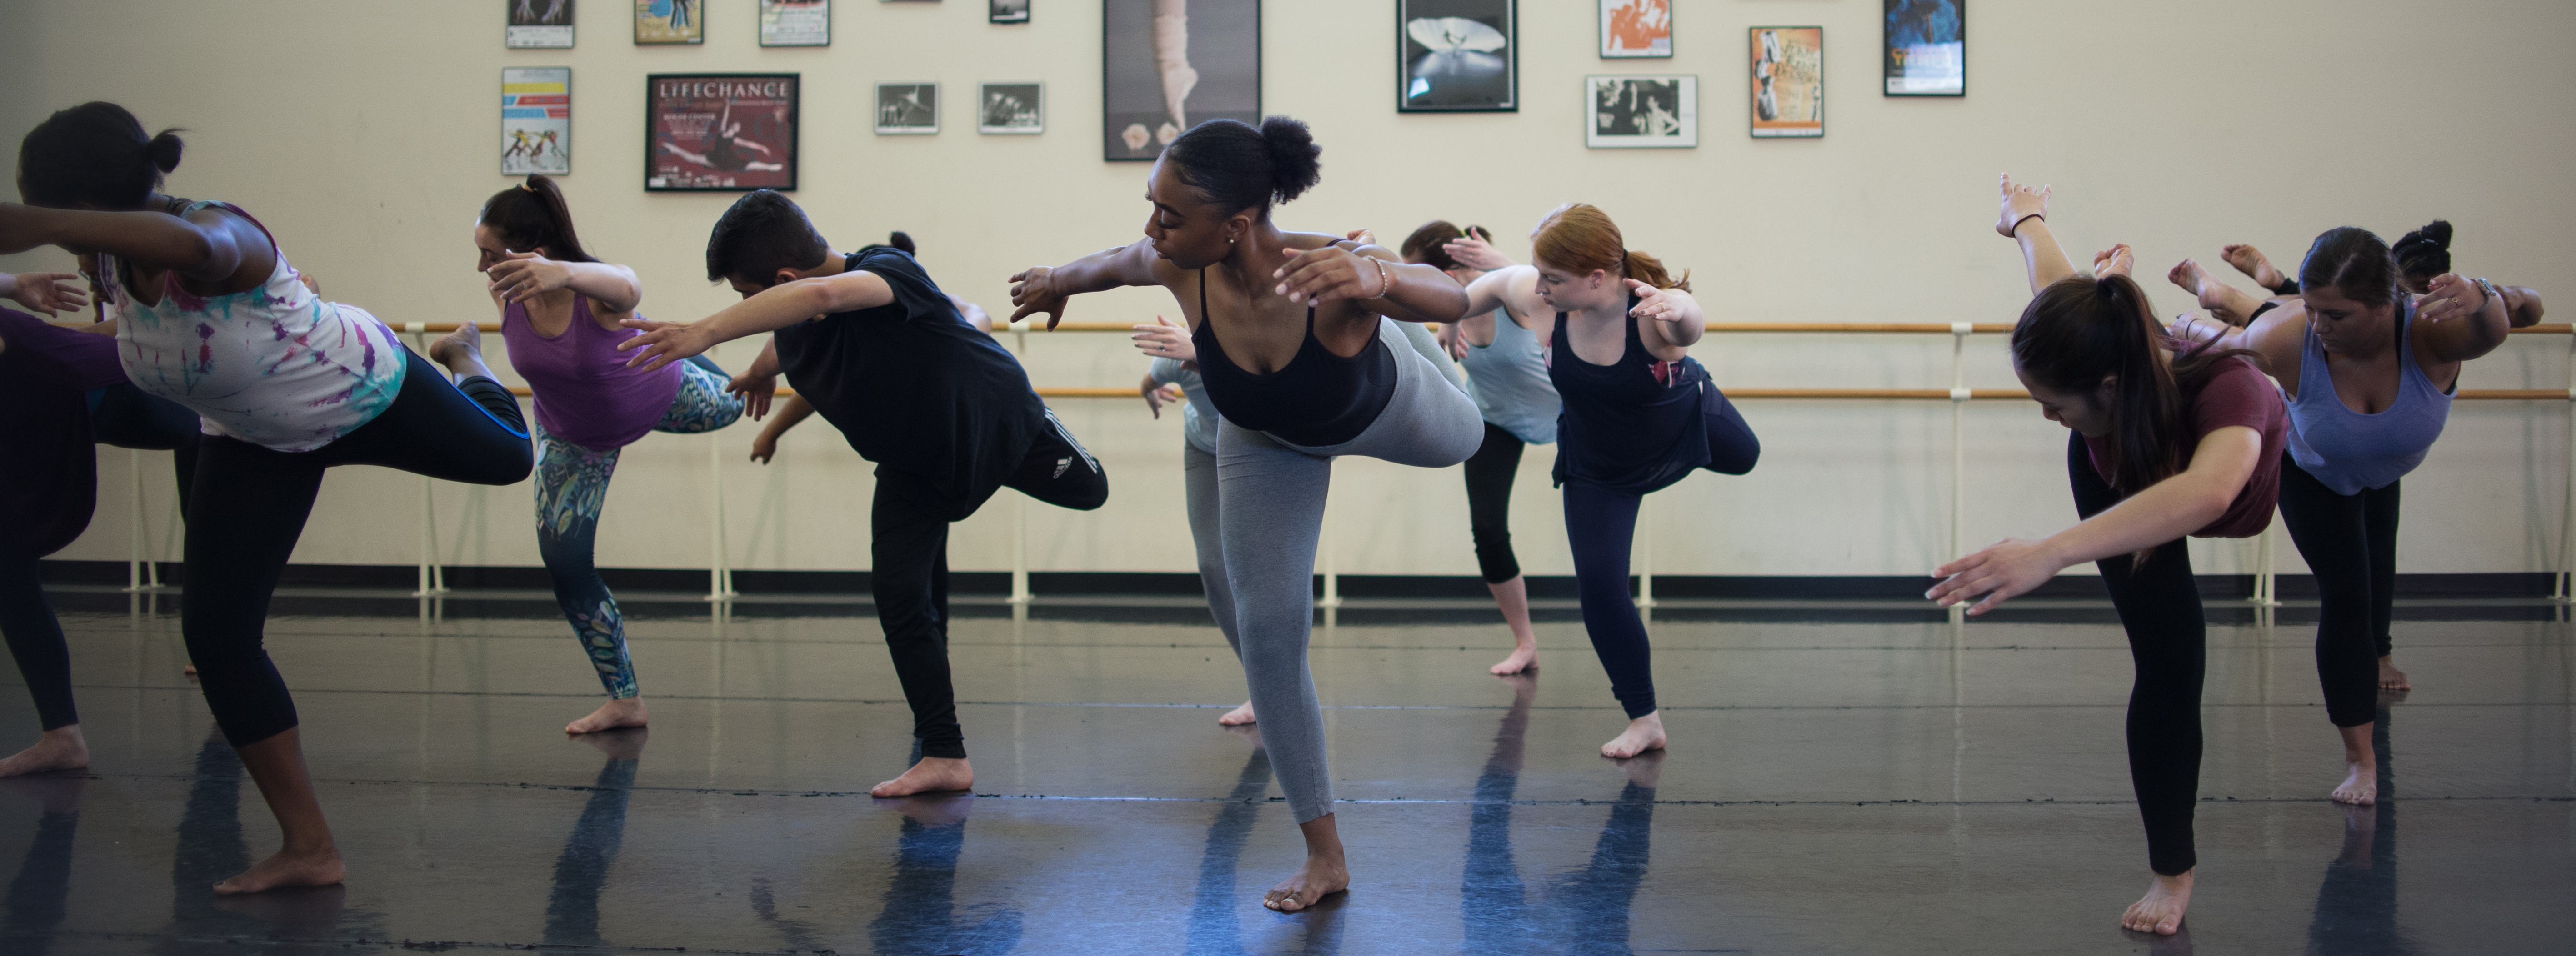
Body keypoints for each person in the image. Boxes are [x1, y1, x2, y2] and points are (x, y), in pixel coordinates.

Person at [2, 102, 534, 894]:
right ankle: (311, 846)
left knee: (512, 459)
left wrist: (41, 221)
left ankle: (468, 364)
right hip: (256, 436)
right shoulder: (110, 261)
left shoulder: (219, 233)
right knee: (217, 635)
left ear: (82, 205)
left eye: (57, 214)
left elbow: (200, 247)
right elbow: (122, 344)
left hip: (367, 389)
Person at [1007, 115, 1482, 912]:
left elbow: (1456, 293)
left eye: (1169, 214)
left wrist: (1380, 282)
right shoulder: (1176, 265)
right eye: (1151, 205)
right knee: (1268, 633)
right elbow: (1110, 264)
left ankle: (1415, 346)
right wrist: (1055, 280)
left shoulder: (1324, 264)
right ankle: (1325, 854)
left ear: (1232, 227)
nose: (1152, 226)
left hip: (1390, 411)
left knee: (1464, 428)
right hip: (1267, 439)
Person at [617, 199, 1108, 801]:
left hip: (998, 424)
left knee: (1092, 492)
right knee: (900, 592)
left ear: (784, 282)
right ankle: (944, 754)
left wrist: (704, 332)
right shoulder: (794, 322)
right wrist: (762, 382)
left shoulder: (884, 270)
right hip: (916, 465)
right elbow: (795, 340)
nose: (755, 311)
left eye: (752, 298)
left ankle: (975, 330)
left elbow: (822, 299)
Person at [1936, 174, 2287, 935]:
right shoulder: (2096, 342)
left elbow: (2207, 494)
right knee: (2168, 662)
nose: (2044, 415)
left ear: (2105, 384)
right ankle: (2173, 869)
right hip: (2121, 466)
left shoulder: (2226, 389)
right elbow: (2050, 274)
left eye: (2054, 405)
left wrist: (2049, 553)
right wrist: (2025, 215)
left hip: (2247, 477)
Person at [2170, 221, 2526, 805]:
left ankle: (2229, 292)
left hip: (2383, 468)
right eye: (2312, 309)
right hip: (2312, 470)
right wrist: (2185, 326)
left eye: (2337, 315)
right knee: (2349, 595)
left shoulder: (2431, 330)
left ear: (2387, 305)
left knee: (2377, 565)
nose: (2321, 327)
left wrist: (2484, 294)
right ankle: (2362, 762)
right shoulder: (2290, 335)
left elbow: (2506, 322)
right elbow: (2222, 346)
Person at [1454, 204, 1758, 760]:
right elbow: (1481, 290)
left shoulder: (1650, 317)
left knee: (1746, 456)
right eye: (1540, 274)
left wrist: (1683, 306)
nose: (1540, 287)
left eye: (1554, 278)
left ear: (1598, 278)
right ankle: (1645, 720)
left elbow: (1689, 323)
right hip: (1600, 466)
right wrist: (1414, 299)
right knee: (1599, 588)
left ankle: (1700, 395)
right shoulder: (1542, 302)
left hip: (1676, 424)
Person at [475, 174, 746, 735]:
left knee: (733, 405)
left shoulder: (595, 294)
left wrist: (566, 273)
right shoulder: (507, 292)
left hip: (659, 393)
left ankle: (696, 346)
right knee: (565, 563)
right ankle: (625, 700)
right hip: (574, 438)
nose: (483, 268)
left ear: (536, 254)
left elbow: (629, 284)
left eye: (490, 254)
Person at [0, 277, 198, 778]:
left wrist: (13, 285)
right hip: (48, 390)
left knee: (200, 429)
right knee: (7, 567)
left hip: (84, 382)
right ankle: (62, 736)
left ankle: (221, 649)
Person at [1415, 222, 1557, 676]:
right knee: (1488, 529)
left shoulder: (1509, 297)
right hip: (1495, 419)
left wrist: (1502, 262)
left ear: (1453, 270)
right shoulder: (1445, 315)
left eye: (1419, 275)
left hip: (1569, 415)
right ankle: (1525, 642)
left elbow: (1545, 291)